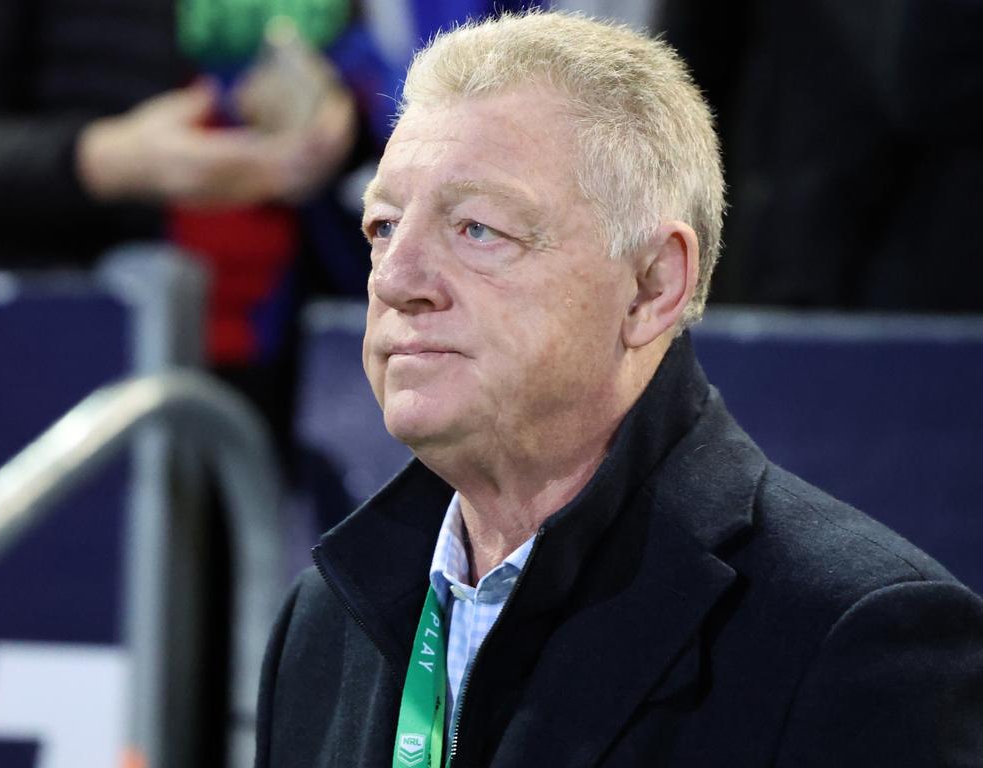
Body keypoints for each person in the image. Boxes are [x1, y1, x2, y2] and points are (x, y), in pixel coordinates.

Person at [254, 11, 983, 768]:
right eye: (383, 227)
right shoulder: (323, 626)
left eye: (476, 228)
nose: (399, 281)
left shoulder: (857, 642)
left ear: (651, 285)